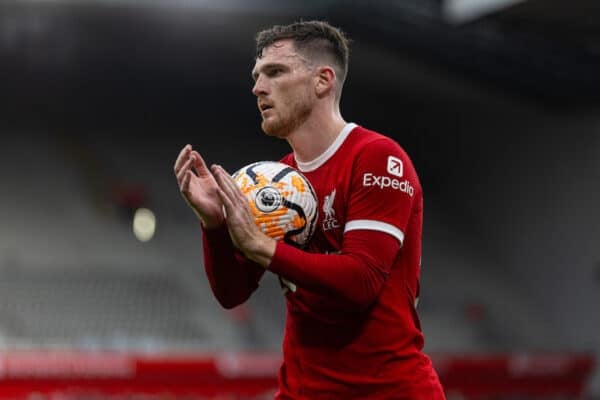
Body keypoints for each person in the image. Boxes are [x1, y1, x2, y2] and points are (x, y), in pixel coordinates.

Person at [174, 20, 445, 399]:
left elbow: (361, 281)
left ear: (322, 81)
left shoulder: (377, 157)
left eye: (275, 71)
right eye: (256, 75)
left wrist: (260, 245)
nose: (257, 87)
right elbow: (232, 293)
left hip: (386, 391)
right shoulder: (275, 181)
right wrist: (215, 226)